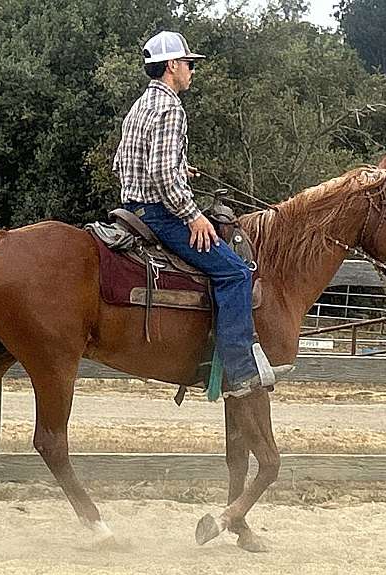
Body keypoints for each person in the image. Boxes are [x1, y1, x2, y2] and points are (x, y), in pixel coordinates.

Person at [113, 31, 292, 398]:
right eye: (189, 64)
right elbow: (162, 176)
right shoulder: (170, 108)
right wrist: (193, 216)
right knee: (236, 272)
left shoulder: (140, 105)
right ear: (173, 66)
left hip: (131, 208)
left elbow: (122, 163)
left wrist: (181, 167)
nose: (192, 71)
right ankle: (240, 371)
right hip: (159, 214)